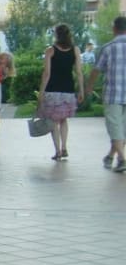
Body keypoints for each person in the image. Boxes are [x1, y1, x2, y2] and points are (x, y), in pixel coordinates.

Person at [38, 23, 84, 161]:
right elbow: (79, 72)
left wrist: (41, 91)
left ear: (56, 35)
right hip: (68, 90)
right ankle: (64, 147)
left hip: (52, 90)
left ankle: (57, 150)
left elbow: (46, 73)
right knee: (63, 120)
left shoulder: (50, 51)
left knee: (53, 121)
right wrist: (81, 89)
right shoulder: (75, 50)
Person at [87, 16, 126, 171]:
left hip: (113, 94)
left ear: (114, 29)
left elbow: (96, 70)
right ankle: (110, 156)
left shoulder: (108, 47)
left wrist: (89, 87)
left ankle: (122, 159)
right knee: (121, 129)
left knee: (115, 127)